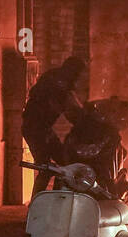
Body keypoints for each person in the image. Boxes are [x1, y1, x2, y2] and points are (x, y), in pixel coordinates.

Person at [22, 56, 87, 193]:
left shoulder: (58, 77)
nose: (80, 77)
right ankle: (36, 205)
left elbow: (71, 102)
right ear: (74, 71)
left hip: (43, 129)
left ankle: (59, 197)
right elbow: (67, 105)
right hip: (35, 130)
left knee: (65, 163)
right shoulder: (59, 82)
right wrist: (82, 121)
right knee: (45, 168)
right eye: (80, 73)